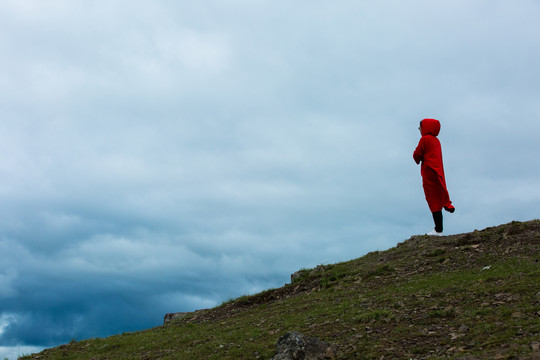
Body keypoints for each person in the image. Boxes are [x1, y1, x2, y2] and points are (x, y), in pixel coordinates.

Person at [413, 118, 455, 235]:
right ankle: (439, 228)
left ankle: (438, 230)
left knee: (432, 200)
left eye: (420, 127)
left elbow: (416, 156)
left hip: (429, 173)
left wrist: (418, 156)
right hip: (437, 173)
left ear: (425, 128)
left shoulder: (424, 139)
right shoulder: (437, 141)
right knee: (437, 198)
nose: (419, 130)